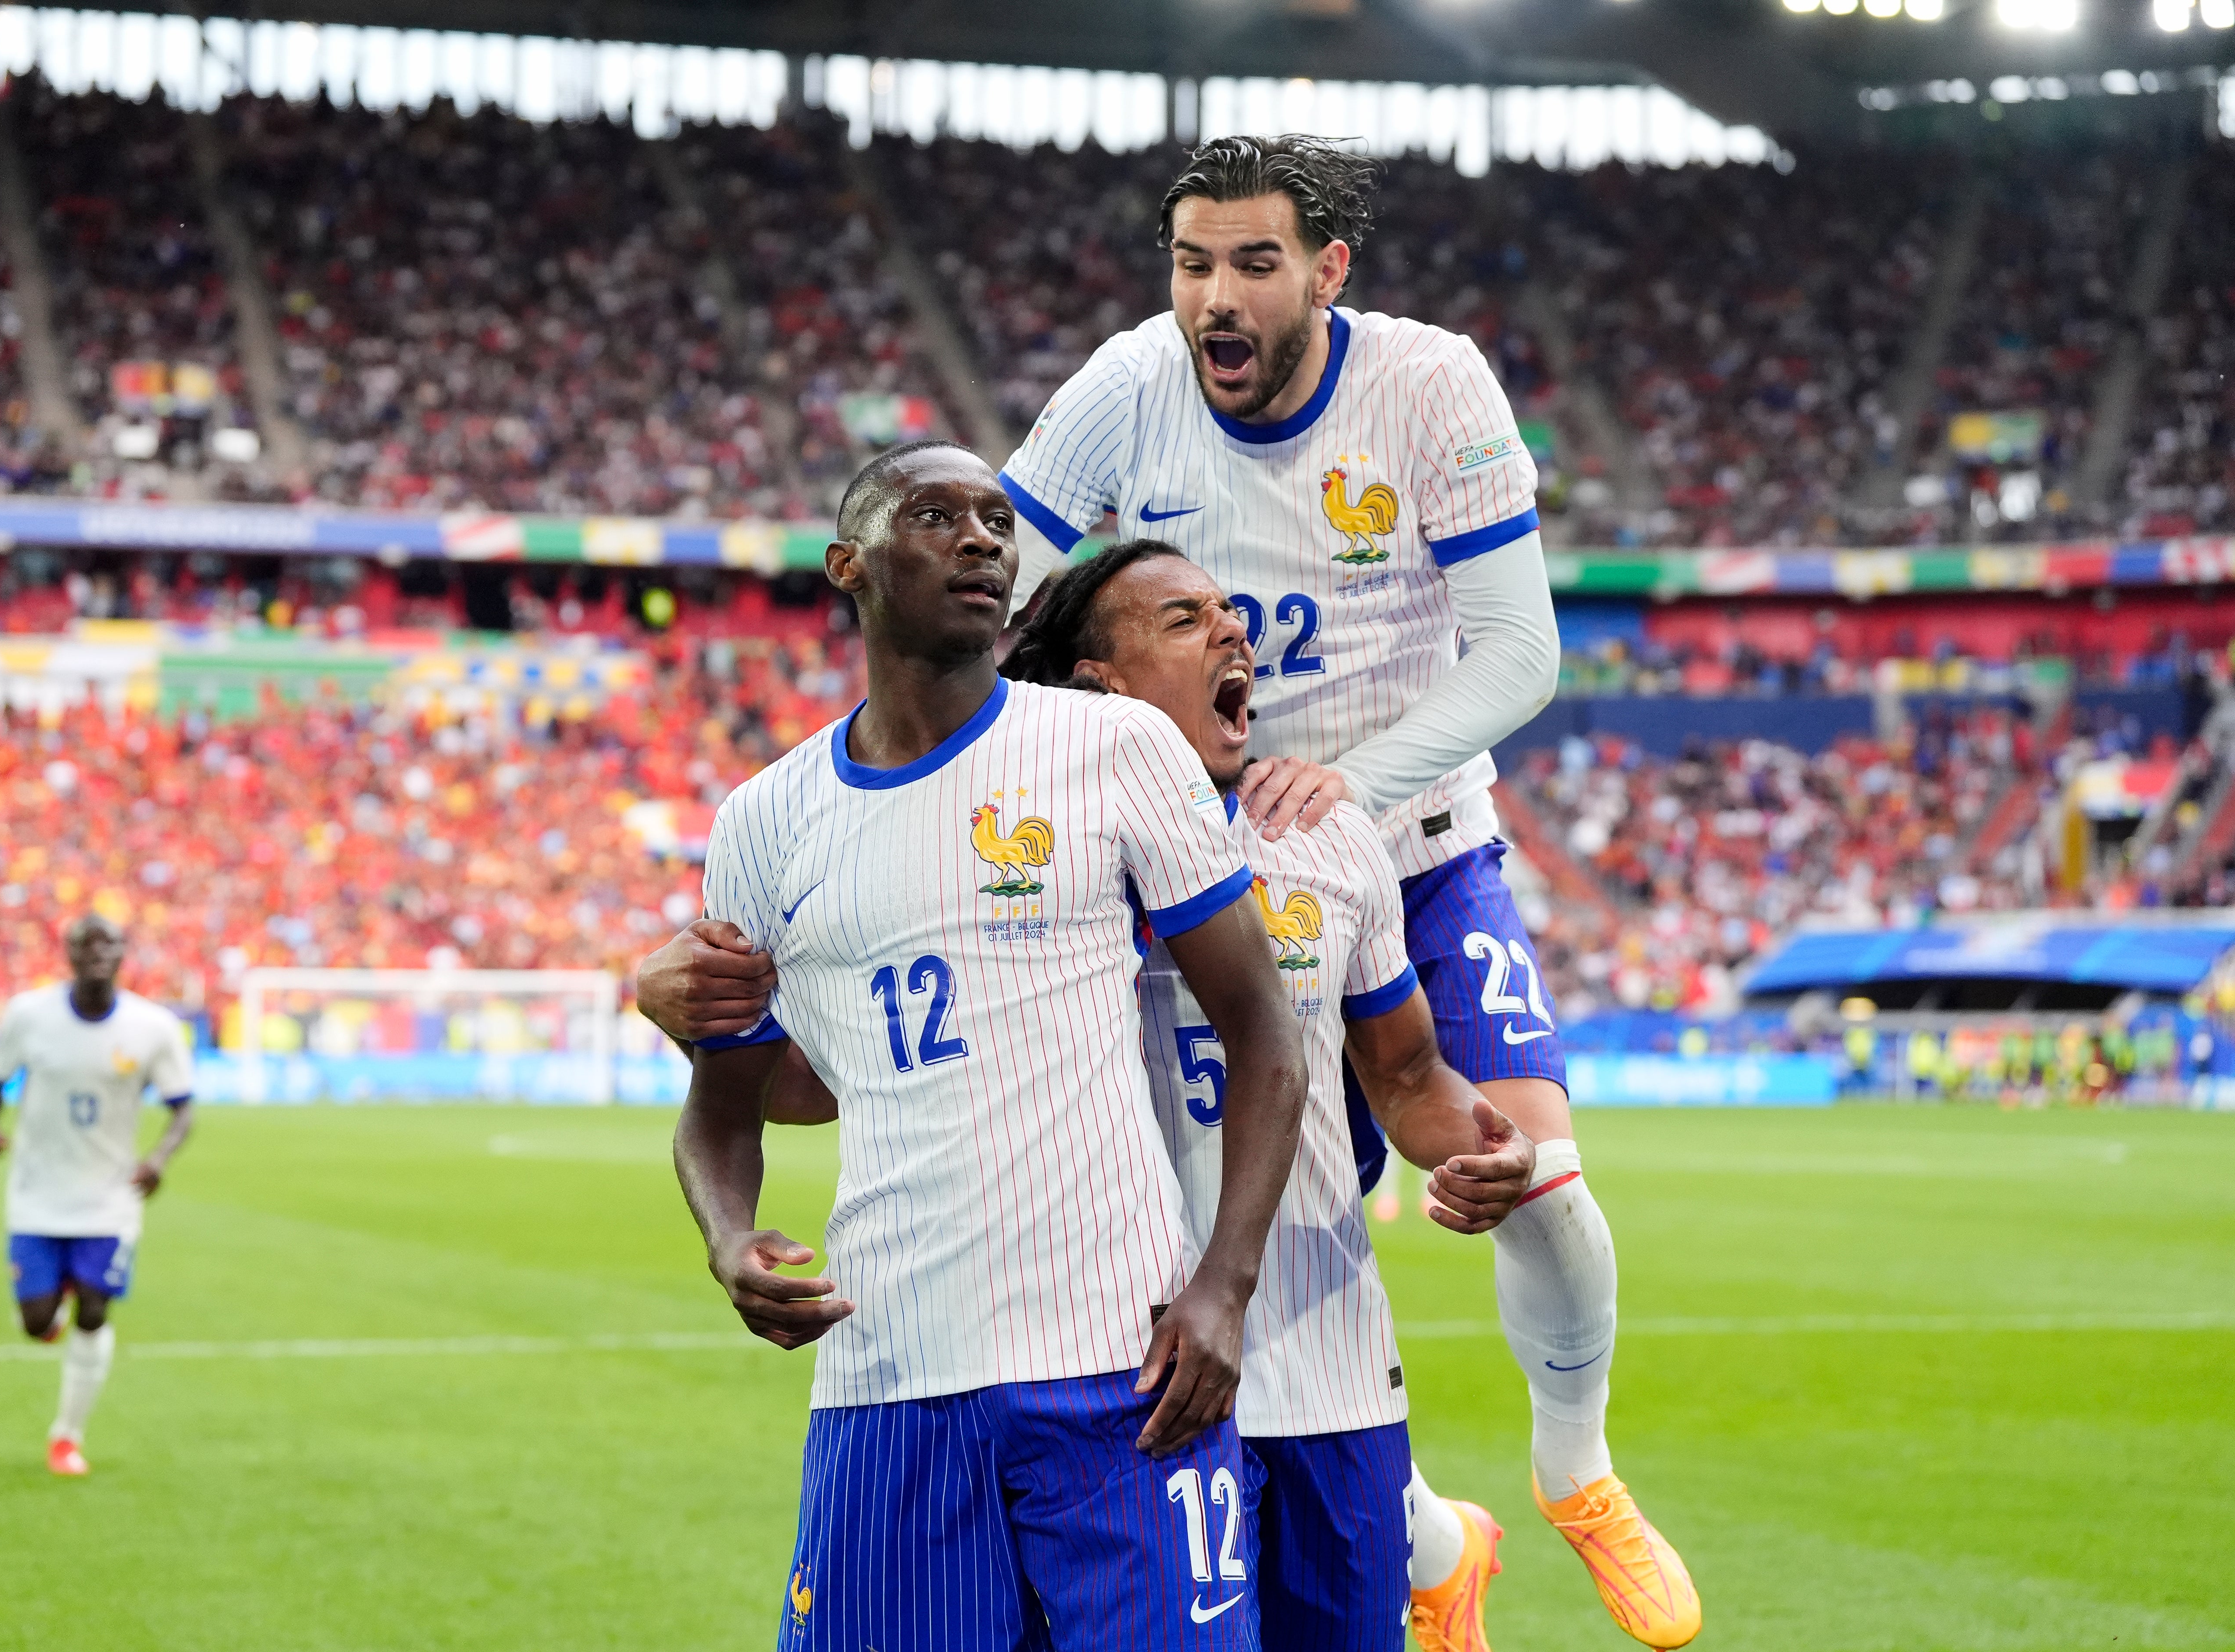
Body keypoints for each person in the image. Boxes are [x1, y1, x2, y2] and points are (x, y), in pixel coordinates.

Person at [643, 137, 1699, 1651]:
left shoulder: (1431, 387)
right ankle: (1420, 1542)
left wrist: (1349, 789)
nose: (1215, 294)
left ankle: (1575, 1468)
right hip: (1174, 847)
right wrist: (851, 824)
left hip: (1398, 835)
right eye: (1191, 262)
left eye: (1252, 263)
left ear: (1326, 273)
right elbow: (970, 592)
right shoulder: (1121, 391)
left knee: (1533, 1171)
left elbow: (1519, 656)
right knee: (1201, 1235)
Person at [752, 538, 1542, 1652]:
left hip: (1321, 1378)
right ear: (1097, 682)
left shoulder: (1324, 839)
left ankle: (1430, 1539)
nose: (1234, 631)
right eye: (1182, 620)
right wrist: (699, 1005)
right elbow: (852, 1070)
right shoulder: (1007, 852)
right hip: (1101, 1382)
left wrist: (1473, 1142)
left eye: (1228, 611)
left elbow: (1407, 1074)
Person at [671, 441, 1310, 1652]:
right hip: (888, 1377)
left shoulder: (1110, 750)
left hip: (1121, 1372)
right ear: (846, 566)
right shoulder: (762, 822)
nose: (981, 539)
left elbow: (1264, 1035)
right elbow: (725, 1103)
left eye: (994, 520)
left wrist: (1224, 1286)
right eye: (934, 516)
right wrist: (725, 1239)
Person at [0, 913, 196, 1477]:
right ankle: (55, 1300)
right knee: (35, 1322)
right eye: (86, 944)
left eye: (110, 945)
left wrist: (158, 1159)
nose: (98, 954)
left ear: (124, 954)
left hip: (109, 1198)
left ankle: (67, 1436)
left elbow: (183, 1109)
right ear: (68, 954)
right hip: (37, 1192)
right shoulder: (31, 1016)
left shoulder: (153, 1028)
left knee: (96, 1309)